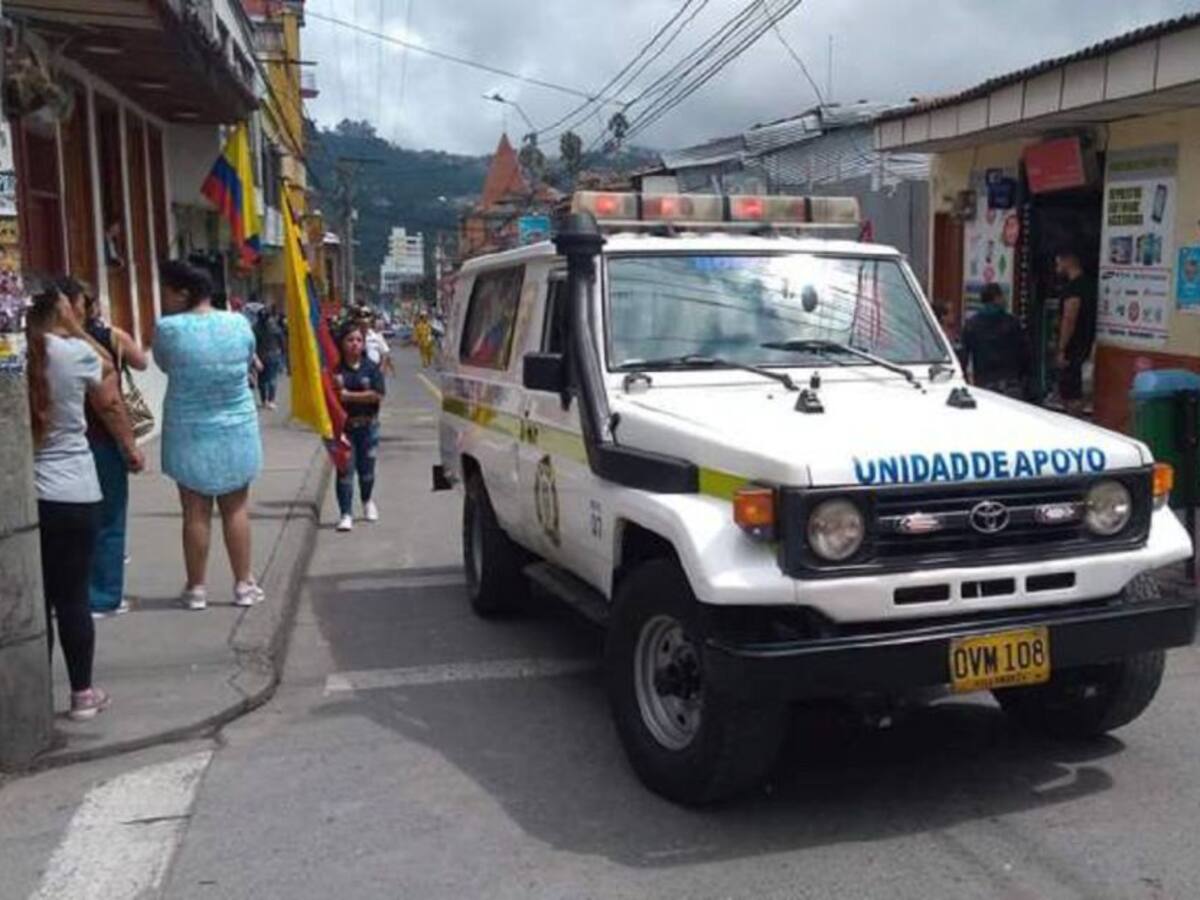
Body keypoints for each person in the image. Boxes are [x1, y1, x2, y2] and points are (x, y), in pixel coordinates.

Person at [26, 283, 144, 719]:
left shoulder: (14, 357)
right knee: (72, 597)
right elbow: (109, 375)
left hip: (27, 495)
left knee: (34, 602)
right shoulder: (75, 353)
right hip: (73, 489)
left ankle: (32, 696)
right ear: (60, 309)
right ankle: (82, 694)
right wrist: (77, 327)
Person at [153, 261, 264, 610]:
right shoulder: (238, 322)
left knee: (194, 512)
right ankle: (244, 584)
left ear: (183, 293)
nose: (163, 298)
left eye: (166, 291)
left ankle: (197, 588)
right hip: (237, 426)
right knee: (236, 508)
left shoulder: (168, 329)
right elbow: (248, 359)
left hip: (188, 428)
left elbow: (163, 364)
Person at [60, 278, 148, 616]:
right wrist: (130, 447)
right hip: (98, 443)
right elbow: (110, 403)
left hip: (53, 448)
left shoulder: (41, 345)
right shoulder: (98, 344)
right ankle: (102, 596)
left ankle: (68, 592)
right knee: (108, 520)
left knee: (66, 527)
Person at [334, 323, 385, 532]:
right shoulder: (336, 370)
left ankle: (367, 501)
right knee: (345, 472)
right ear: (342, 343)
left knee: (367, 471)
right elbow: (329, 398)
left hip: (368, 426)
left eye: (358, 340)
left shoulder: (370, 367)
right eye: (350, 340)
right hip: (345, 429)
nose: (355, 344)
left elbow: (378, 394)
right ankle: (345, 514)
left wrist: (349, 395)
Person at [960, 282, 1030, 399]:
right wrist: (1023, 377)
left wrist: (965, 380)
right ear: (997, 298)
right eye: (1002, 296)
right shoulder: (1012, 323)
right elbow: (1025, 353)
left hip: (984, 381)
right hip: (1010, 380)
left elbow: (964, 356)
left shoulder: (971, 324)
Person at [1053, 248, 1097, 415]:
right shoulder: (1090, 285)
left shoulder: (1074, 288)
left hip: (1073, 349)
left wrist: (1062, 348)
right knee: (1080, 393)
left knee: (1070, 396)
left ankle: (1073, 423)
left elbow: (1069, 318)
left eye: (1058, 262)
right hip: (1086, 345)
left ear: (1068, 261)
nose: (1056, 267)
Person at [253, 306, 286, 409]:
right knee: (272, 379)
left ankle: (264, 401)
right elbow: (282, 341)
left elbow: (252, 344)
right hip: (273, 356)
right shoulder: (275, 327)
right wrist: (283, 353)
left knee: (262, 381)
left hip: (260, 357)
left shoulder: (255, 328)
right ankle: (271, 401)